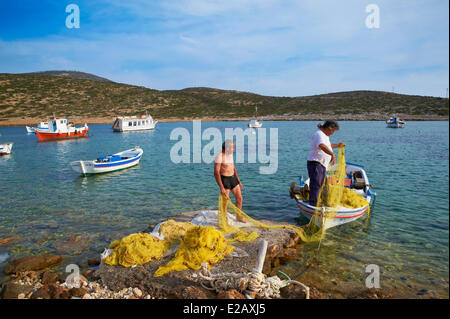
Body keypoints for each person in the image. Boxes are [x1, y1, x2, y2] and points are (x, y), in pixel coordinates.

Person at [307, 120, 345, 206]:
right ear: (329, 128)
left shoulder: (324, 136)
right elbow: (322, 146)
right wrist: (332, 154)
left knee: (324, 185)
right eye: (333, 130)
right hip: (315, 163)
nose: (333, 133)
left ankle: (324, 202)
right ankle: (314, 203)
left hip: (321, 164)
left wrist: (337, 145)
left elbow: (328, 145)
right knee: (316, 184)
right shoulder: (319, 134)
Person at [214, 139, 245, 222]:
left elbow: (233, 168)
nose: (234, 149)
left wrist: (238, 181)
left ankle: (239, 216)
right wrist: (221, 187)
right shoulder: (219, 156)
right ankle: (224, 220)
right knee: (225, 202)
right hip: (225, 180)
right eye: (233, 148)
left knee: (239, 198)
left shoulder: (230, 155)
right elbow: (216, 173)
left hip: (233, 178)